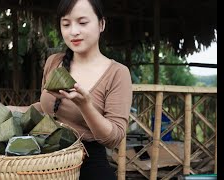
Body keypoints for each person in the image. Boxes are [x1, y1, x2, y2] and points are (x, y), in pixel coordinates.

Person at [7, 0, 132, 179]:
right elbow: (46, 109)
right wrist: (11, 111)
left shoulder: (117, 73)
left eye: (82, 22)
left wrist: (85, 105)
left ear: (101, 24)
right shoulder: (54, 62)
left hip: (87, 165)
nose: (73, 31)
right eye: (66, 24)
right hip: (44, 161)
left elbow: (113, 139)